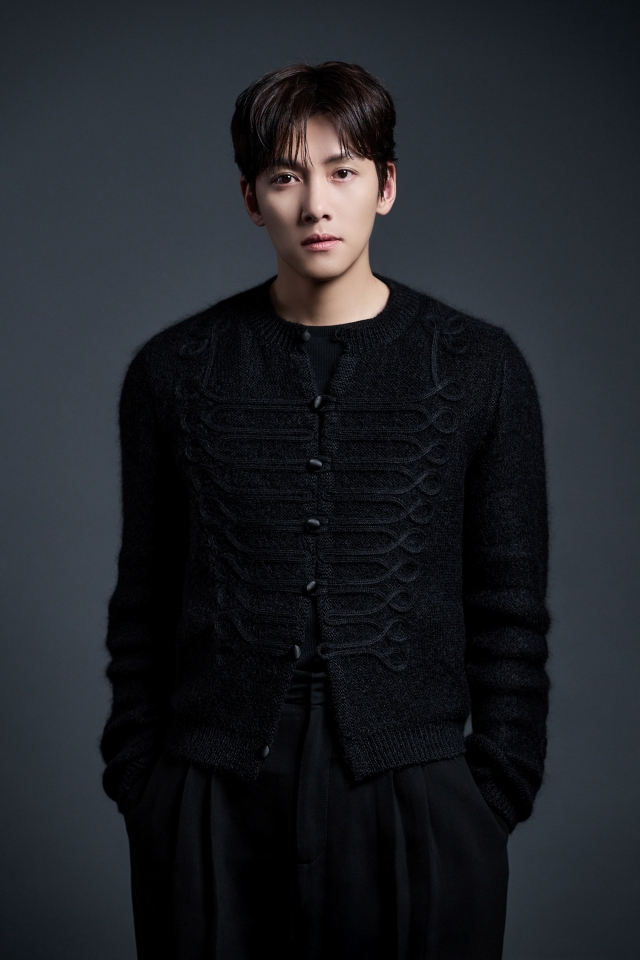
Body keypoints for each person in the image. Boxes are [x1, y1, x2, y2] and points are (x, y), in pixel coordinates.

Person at [100, 60, 551, 960]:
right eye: (284, 177)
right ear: (250, 199)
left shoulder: (477, 367)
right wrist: (145, 787)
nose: (315, 204)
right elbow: (143, 600)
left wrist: (492, 791)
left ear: (386, 186)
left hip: (418, 789)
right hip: (212, 790)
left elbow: (510, 604)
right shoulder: (174, 372)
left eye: (342, 172)